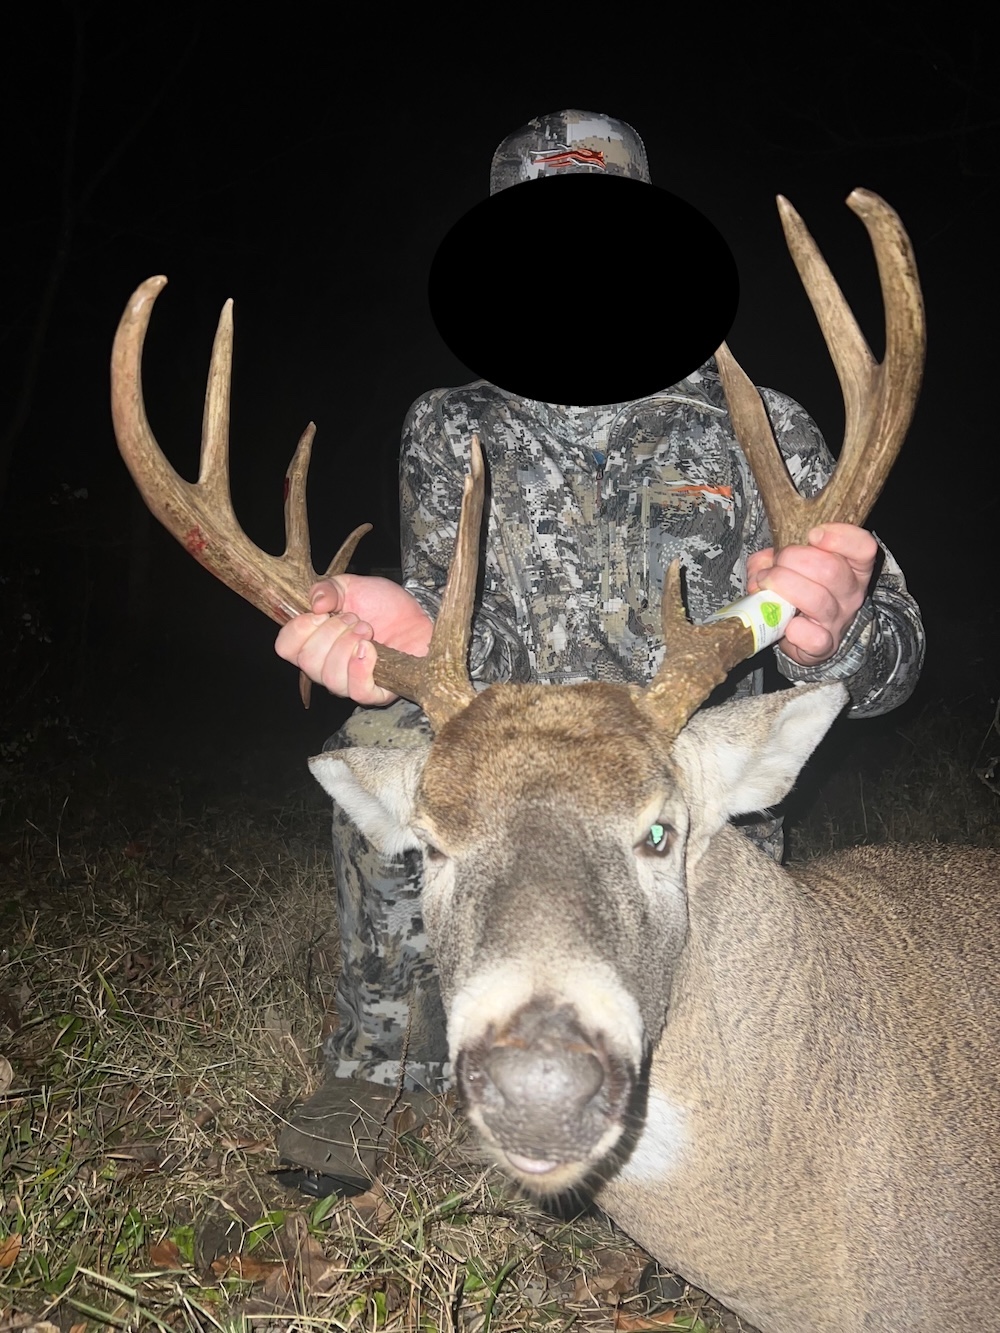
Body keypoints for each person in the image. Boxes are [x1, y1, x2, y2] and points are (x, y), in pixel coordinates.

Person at [273, 111, 925, 1196]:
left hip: (672, 788)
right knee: (381, 730)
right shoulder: (448, 428)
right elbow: (461, 639)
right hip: (517, 769)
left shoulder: (760, 424)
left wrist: (838, 630)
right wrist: (412, 631)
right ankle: (376, 1057)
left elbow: (894, 662)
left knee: (728, 1086)